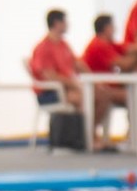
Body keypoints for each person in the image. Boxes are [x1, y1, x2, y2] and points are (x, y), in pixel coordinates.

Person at [30, 9, 112, 150]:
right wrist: (73, 84)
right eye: (65, 21)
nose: (68, 24)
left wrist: (95, 81)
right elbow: (49, 76)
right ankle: (87, 139)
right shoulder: (43, 48)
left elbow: (77, 64)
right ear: (57, 23)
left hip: (70, 87)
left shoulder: (63, 44)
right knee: (83, 98)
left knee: (103, 96)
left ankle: (90, 134)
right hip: (50, 93)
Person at [81, 14, 137, 147]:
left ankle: (134, 135)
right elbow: (124, 64)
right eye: (112, 26)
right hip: (97, 88)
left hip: (107, 86)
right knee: (128, 96)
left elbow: (129, 48)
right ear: (107, 28)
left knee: (133, 94)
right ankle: (89, 133)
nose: (115, 29)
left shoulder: (109, 44)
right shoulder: (99, 45)